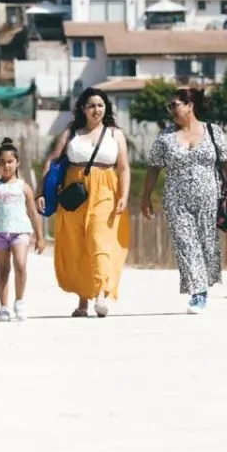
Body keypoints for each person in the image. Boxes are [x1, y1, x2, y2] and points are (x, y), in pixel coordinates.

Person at [140, 87, 227, 314]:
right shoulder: (165, 137)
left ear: (190, 106)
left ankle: (202, 286)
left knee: (208, 245)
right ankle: (198, 294)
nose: (171, 110)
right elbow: (153, 169)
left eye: (175, 105)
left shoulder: (213, 131)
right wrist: (146, 197)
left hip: (210, 199)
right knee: (186, 245)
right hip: (176, 201)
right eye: (169, 107)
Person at [37, 88, 130, 317]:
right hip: (74, 192)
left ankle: (100, 294)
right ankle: (82, 300)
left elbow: (124, 167)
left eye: (100, 105)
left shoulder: (114, 134)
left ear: (106, 107)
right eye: (91, 105)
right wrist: (42, 192)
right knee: (78, 244)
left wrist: (125, 196)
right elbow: (52, 160)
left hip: (106, 190)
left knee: (99, 241)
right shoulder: (71, 133)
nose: (96, 110)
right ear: (83, 109)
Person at [0, 137, 45, 321]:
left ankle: (19, 301)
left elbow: (33, 212)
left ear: (17, 163)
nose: (6, 166)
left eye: (9, 162)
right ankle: (4, 307)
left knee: (20, 265)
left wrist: (40, 237)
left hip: (20, 231)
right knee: (3, 270)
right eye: (1, 162)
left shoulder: (24, 187)